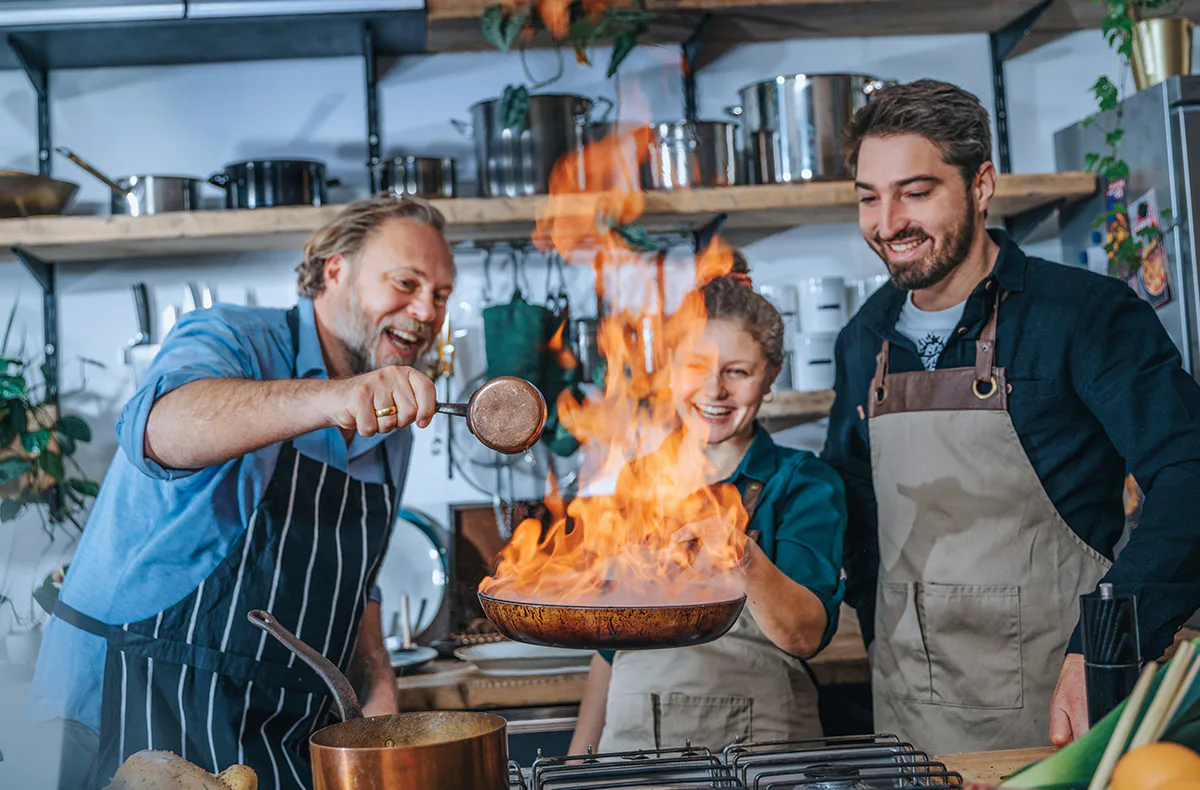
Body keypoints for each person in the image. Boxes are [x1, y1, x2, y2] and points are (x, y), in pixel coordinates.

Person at [26, 194, 456, 790]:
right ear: (335, 270)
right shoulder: (233, 337)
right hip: (132, 706)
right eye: (406, 282)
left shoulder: (392, 430)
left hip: (274, 735)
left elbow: (357, 587)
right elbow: (158, 429)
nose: (425, 311)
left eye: (440, 295)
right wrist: (332, 397)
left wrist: (376, 695)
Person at [823, 79, 1200, 755]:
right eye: (869, 197)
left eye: (916, 191)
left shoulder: (1083, 316)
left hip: (1061, 715)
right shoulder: (863, 340)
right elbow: (852, 510)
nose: (888, 223)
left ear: (981, 185)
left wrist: (1107, 647)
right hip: (910, 723)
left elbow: (1190, 475)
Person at [567, 274, 847, 754]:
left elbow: (803, 635)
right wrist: (576, 765)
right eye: (696, 366)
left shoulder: (803, 484)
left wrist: (740, 555)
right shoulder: (636, 481)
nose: (714, 391)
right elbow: (610, 647)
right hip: (635, 750)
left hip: (763, 749)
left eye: (737, 372)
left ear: (773, 373)